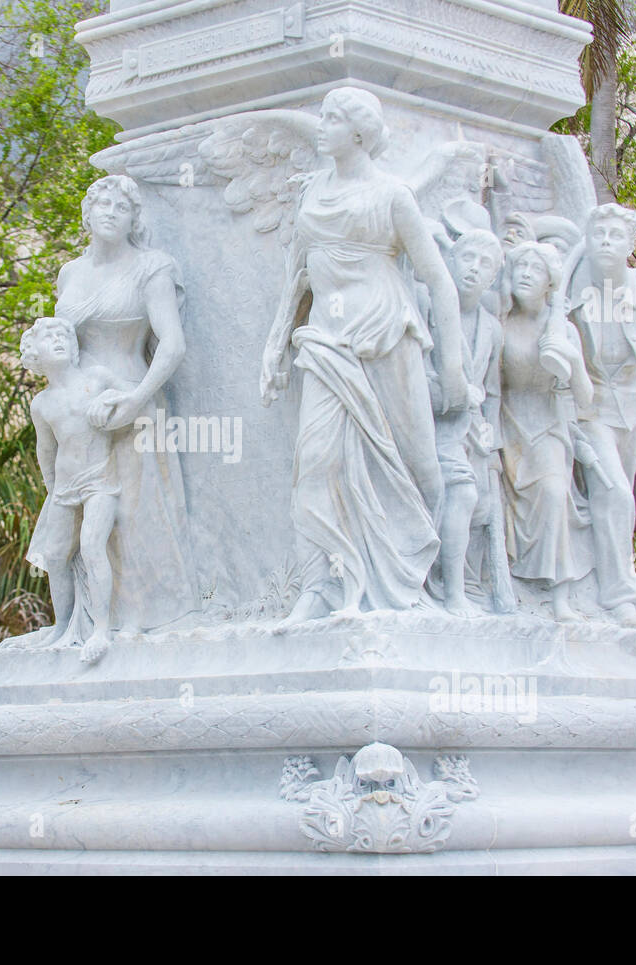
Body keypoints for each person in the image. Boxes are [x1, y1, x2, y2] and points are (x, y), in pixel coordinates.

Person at [260, 87, 464, 621]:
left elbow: (439, 280)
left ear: (359, 132)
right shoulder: (313, 191)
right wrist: (275, 344)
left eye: (331, 118)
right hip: (326, 340)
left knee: (418, 461)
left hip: (385, 333)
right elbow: (297, 275)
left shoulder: (393, 196)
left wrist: (454, 367)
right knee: (315, 461)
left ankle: (423, 575)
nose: (320, 126)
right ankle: (321, 586)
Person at [44, 174, 199, 635]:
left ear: (134, 219)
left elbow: (172, 344)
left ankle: (143, 619)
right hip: (78, 415)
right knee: (80, 525)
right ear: (87, 213)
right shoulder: (70, 273)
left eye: (122, 207)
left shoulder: (152, 267)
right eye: (102, 204)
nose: (110, 212)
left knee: (132, 515)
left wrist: (135, 399)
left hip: (132, 402)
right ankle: (86, 623)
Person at [565, 203, 636, 628]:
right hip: (591, 409)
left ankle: (600, 579)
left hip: (632, 408)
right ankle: (618, 600)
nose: (606, 243)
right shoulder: (572, 293)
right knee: (614, 494)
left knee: (624, 503)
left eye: (615, 236)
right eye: (598, 235)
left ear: (631, 244)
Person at [498, 242, 594, 621]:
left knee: (554, 495)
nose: (525, 273)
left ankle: (559, 596)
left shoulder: (562, 329)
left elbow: (585, 399)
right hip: (507, 422)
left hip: (548, 425)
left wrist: (571, 360)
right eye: (520, 266)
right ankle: (506, 589)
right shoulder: (501, 323)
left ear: (550, 283)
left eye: (535, 269)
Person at [22, 316, 124, 663]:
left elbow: (136, 398)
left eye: (63, 335)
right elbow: (45, 449)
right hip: (64, 487)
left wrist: (112, 399)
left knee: (92, 545)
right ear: (34, 354)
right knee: (54, 556)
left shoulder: (96, 378)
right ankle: (62, 626)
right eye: (49, 337)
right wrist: (51, 490)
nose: (59, 340)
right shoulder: (41, 403)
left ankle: (101, 629)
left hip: (100, 480)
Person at [425, 227, 515, 614]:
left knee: (477, 506)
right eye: (467, 258)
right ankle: (453, 594)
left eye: (485, 264)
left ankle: (464, 584)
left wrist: (490, 443)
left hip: (472, 433)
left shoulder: (492, 329)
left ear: (493, 277)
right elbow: (414, 371)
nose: (474, 268)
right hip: (431, 422)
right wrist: (454, 392)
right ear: (451, 260)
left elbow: (492, 392)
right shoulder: (429, 306)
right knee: (461, 493)